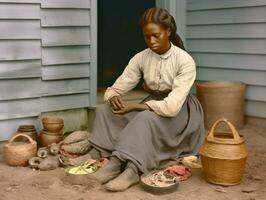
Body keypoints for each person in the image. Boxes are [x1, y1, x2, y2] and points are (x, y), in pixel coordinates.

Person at [88, 7, 205, 191]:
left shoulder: (184, 60)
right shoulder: (140, 58)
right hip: (153, 104)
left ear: (168, 31)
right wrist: (113, 98)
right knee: (104, 111)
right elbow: (114, 89)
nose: (151, 41)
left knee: (143, 118)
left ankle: (130, 169)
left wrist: (134, 107)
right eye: (146, 36)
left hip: (180, 111)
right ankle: (99, 151)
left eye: (156, 35)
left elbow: (172, 107)